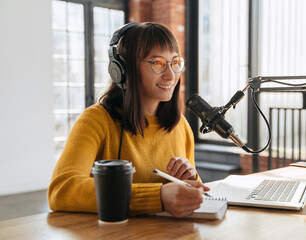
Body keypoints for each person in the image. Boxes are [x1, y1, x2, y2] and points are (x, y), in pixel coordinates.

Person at [48, 22, 209, 218]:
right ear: (122, 69)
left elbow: (188, 195)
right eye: (157, 63)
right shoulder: (96, 120)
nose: (170, 75)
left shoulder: (180, 126)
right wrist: (157, 197)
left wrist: (189, 180)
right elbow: (62, 190)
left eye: (175, 63)